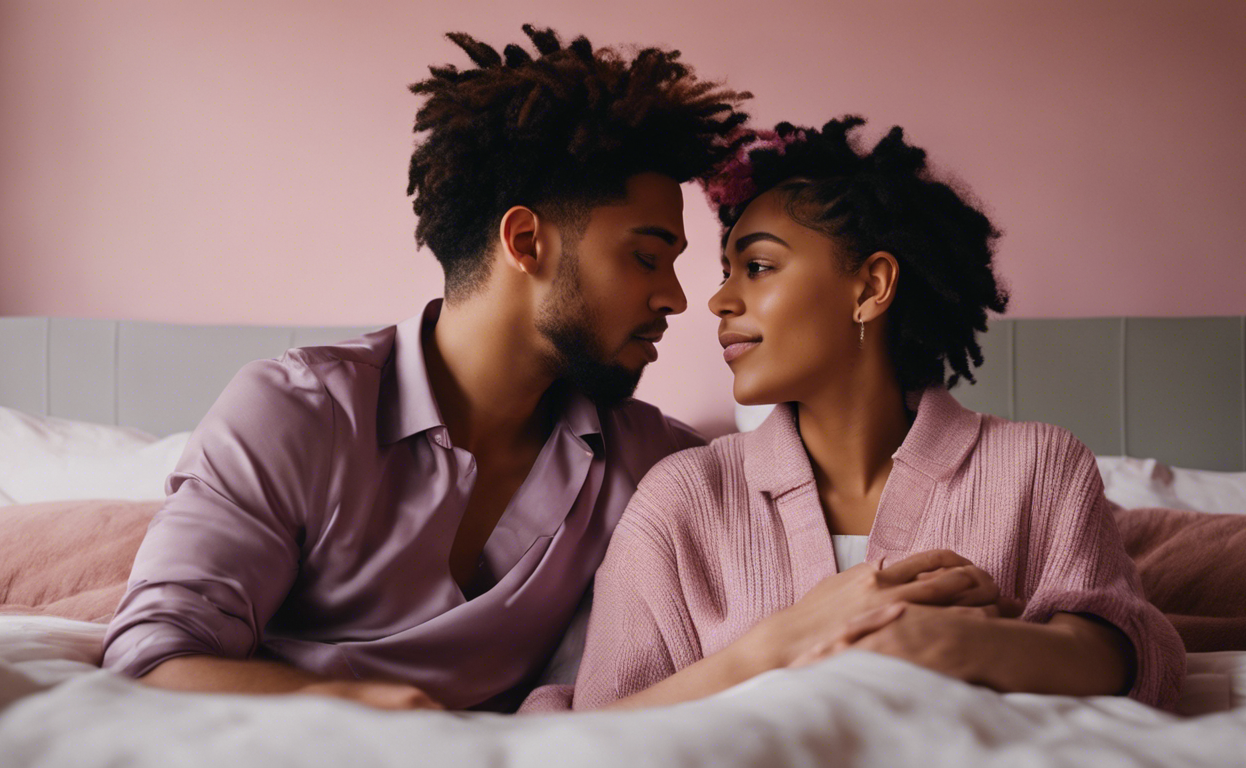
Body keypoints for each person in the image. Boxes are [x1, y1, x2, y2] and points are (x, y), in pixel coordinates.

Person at [100, 25, 751, 712]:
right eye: (647, 257)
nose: (676, 298)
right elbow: (151, 663)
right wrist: (383, 715)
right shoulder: (299, 413)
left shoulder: (649, 461)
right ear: (526, 242)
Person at [545, 117, 1185, 712]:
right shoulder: (680, 500)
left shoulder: (1037, 466)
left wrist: (940, 643)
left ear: (872, 286)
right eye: (727, 271)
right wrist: (785, 646)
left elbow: (1125, 651)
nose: (718, 299)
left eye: (758, 267)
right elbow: (598, 726)